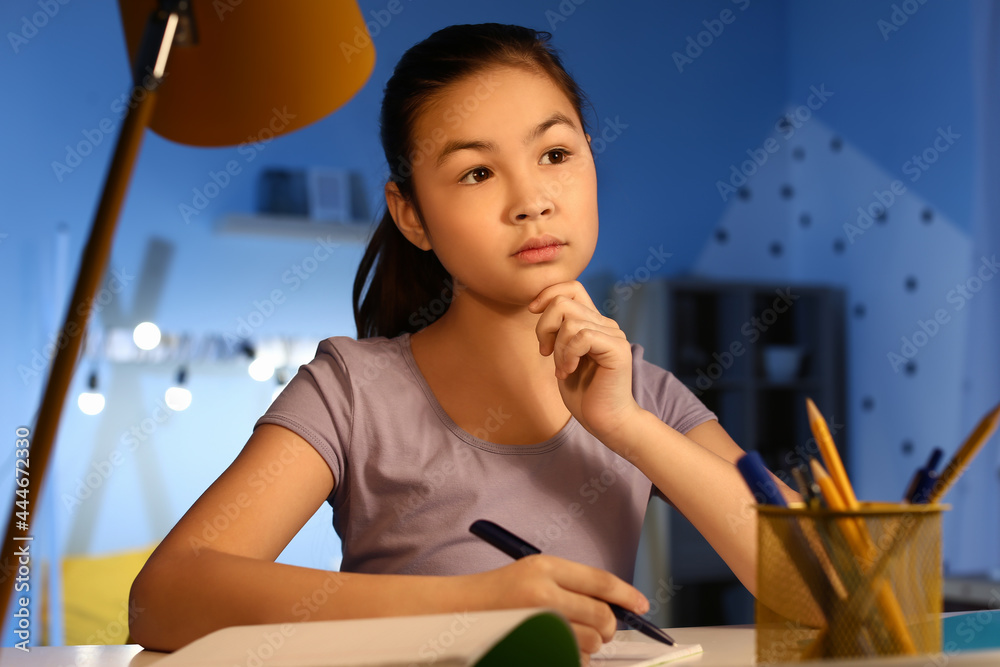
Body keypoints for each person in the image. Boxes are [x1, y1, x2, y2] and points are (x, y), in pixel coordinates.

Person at [129, 22, 796, 661]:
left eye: (556, 154)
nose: (531, 200)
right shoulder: (351, 390)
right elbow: (164, 596)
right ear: (411, 214)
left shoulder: (641, 392)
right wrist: (471, 606)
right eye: (478, 172)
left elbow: (823, 586)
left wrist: (628, 426)